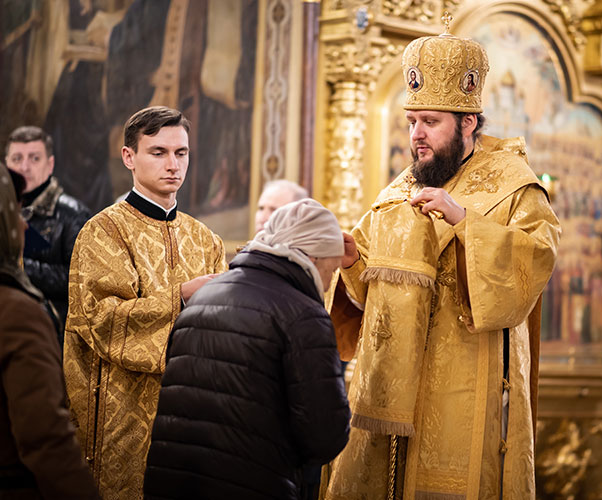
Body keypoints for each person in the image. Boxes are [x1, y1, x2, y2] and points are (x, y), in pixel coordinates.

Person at [324, 30, 561, 499]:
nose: (416, 134)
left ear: (468, 121)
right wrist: (353, 262)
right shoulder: (399, 190)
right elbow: (369, 290)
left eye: (430, 121)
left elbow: (538, 259)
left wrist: (466, 223)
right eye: (412, 121)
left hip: (467, 386)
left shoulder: (515, 186)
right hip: (395, 387)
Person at [63, 106, 228, 500]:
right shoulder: (103, 232)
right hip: (121, 415)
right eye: (158, 152)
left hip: (192, 413)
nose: (173, 164)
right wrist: (182, 298)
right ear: (129, 158)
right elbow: (99, 321)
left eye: (181, 153)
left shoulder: (206, 239)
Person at [143, 199, 350, 499]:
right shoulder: (304, 315)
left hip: (172, 485)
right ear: (311, 259)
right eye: (331, 270)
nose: (329, 285)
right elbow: (324, 437)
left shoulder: (203, 297)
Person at [0, 164, 100, 500]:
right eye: (13, 212)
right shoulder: (16, 314)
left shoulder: (71, 214)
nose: (23, 224)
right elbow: (45, 439)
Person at [4, 126, 92, 342]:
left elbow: (82, 282)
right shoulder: (3, 213)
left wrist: (20, 265)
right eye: (17, 158)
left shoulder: (74, 214)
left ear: (50, 164)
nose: (24, 167)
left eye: (34, 158)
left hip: (55, 334)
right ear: (6, 164)